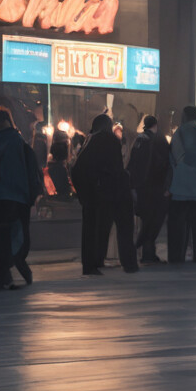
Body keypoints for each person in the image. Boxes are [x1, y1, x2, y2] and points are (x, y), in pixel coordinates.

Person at [69, 114, 137, 275]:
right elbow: (116, 169)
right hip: (105, 192)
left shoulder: (89, 140)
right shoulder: (108, 139)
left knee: (96, 228)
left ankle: (94, 262)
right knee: (123, 226)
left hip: (91, 191)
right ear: (107, 126)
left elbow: (78, 169)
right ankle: (128, 263)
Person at [0, 106, 39, 288]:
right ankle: (17, 271)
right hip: (18, 196)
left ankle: (6, 276)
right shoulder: (17, 139)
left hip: (3, 195)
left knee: (2, 236)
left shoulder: (4, 140)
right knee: (14, 235)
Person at [167, 105, 196, 264]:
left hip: (180, 187)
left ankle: (176, 256)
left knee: (178, 226)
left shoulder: (180, 133)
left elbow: (176, 157)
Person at [127, 114, 171, 264]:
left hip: (141, 188)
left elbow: (131, 163)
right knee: (155, 221)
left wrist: (133, 185)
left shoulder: (138, 140)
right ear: (156, 125)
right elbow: (165, 164)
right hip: (156, 187)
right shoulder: (158, 140)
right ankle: (144, 250)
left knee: (146, 220)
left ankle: (146, 252)